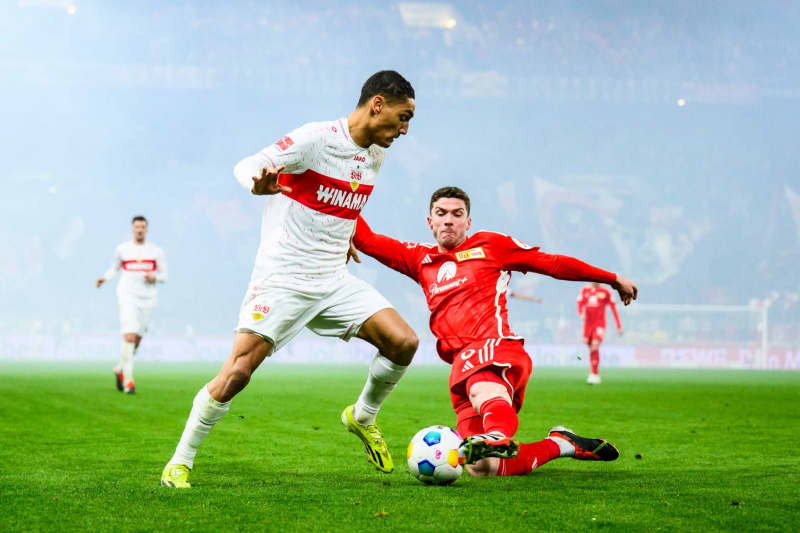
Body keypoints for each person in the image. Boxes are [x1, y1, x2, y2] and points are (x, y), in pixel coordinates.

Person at [160, 71, 419, 488]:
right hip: (284, 278)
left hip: (334, 279)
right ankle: (180, 462)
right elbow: (249, 165)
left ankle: (363, 415)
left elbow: (341, 198)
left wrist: (346, 230)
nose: (404, 129)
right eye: (402, 116)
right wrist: (257, 185)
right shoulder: (316, 139)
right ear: (377, 105)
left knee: (404, 342)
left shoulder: (375, 153)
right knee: (237, 373)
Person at [350, 186, 638, 477]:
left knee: (482, 393)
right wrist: (335, 187)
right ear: (430, 222)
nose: (449, 220)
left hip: (495, 346)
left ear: (468, 222)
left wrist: (611, 278)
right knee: (482, 467)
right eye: (441, 214)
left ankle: (497, 434)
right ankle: (561, 444)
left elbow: (552, 264)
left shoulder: (491, 245)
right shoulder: (419, 259)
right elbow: (366, 239)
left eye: (457, 214)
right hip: (460, 362)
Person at [96, 215, 167, 395]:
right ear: (132, 229)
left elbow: (164, 276)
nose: (140, 230)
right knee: (128, 336)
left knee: (136, 340)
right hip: (127, 295)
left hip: (148, 298)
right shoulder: (123, 249)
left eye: (143, 227)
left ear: (147, 229)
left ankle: (120, 368)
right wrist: (104, 278)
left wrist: (155, 278)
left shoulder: (156, 251)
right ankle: (129, 382)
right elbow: (114, 267)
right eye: (137, 227)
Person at [577, 282, 622, 384]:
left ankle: (594, 374)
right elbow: (579, 303)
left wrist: (618, 326)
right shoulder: (585, 291)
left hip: (599, 324)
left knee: (595, 346)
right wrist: (580, 313)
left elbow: (613, 308)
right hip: (587, 325)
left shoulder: (605, 292)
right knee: (591, 348)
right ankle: (594, 373)